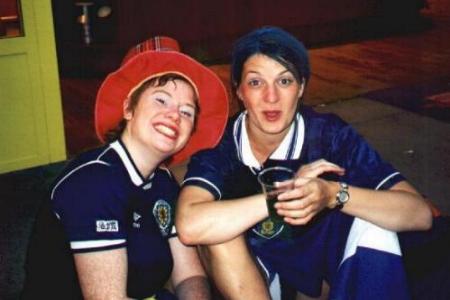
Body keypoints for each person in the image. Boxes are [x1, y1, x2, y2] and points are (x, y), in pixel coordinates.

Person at [175, 27, 437, 299]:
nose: (271, 97)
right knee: (218, 233)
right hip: (254, 278)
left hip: (325, 278)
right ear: (239, 91)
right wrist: (279, 197)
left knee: (375, 223)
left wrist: (332, 194)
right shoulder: (222, 143)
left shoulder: (328, 135)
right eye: (255, 83)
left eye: (284, 81)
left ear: (301, 87)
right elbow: (189, 225)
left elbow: (419, 214)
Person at [22, 36, 229, 300]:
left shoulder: (163, 182)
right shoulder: (93, 183)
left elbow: (189, 275)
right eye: (161, 100)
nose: (175, 115)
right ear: (129, 109)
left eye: (187, 111)